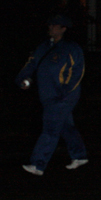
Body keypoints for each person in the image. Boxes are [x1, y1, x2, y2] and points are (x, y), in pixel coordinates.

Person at [17, 14, 88, 175]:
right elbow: (32, 63)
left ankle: (38, 164)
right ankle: (80, 155)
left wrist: (65, 90)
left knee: (50, 128)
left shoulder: (71, 48)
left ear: (63, 29)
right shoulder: (44, 46)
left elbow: (78, 71)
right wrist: (21, 78)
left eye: (54, 25)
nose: (50, 27)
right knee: (65, 125)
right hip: (47, 95)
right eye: (49, 24)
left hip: (62, 96)